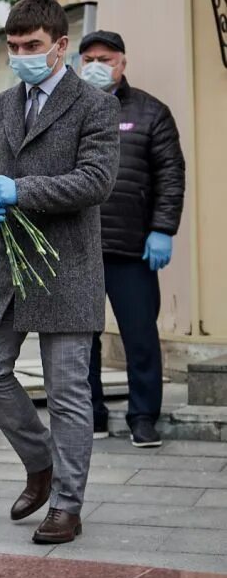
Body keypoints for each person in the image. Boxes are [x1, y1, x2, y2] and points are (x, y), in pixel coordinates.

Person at [0, 0, 120, 544]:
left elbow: (96, 180)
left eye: (32, 46)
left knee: (68, 390)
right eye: (13, 47)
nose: (22, 55)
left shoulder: (94, 104)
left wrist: (21, 190)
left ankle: (67, 505)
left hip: (68, 265)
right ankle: (41, 459)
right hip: (5, 263)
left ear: (60, 46)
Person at [78, 31, 186, 447]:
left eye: (103, 58)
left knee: (139, 337)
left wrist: (162, 229)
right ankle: (92, 415)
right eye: (87, 58)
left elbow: (170, 175)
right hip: (79, 249)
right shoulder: (69, 111)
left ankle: (143, 417)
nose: (94, 65)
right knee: (79, 340)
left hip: (131, 248)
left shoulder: (150, 112)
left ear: (122, 62)